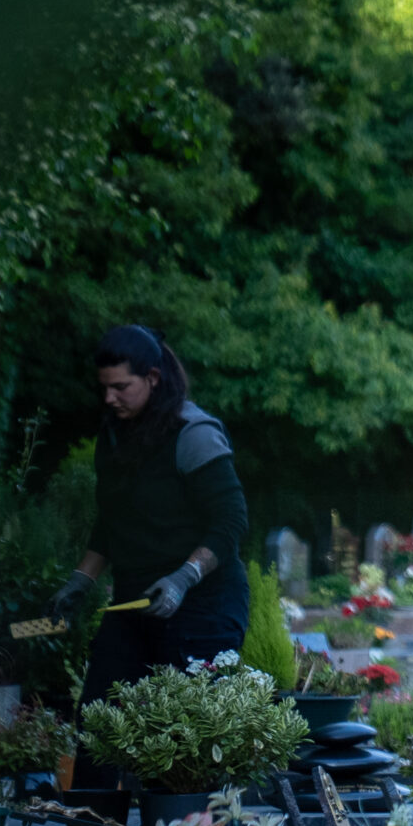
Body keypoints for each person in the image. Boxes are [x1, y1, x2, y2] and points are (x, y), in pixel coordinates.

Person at [48, 326, 249, 782]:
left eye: (121, 387)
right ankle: (94, 821)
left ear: (153, 378)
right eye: (104, 388)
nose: (109, 398)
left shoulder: (193, 433)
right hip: (134, 603)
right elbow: (112, 519)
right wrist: (81, 580)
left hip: (204, 606)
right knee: (99, 722)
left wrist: (183, 577)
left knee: (185, 742)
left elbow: (231, 522)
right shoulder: (113, 435)